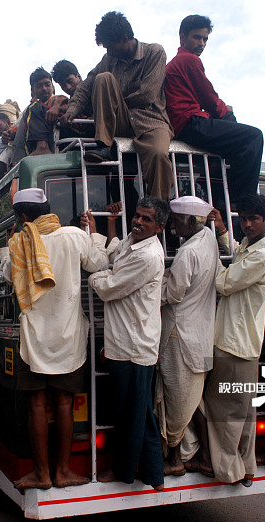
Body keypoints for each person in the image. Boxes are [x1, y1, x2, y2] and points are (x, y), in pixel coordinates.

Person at [0, 188, 109, 490]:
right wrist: (95, 235)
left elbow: (7, 275)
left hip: (33, 340)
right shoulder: (74, 235)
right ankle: (63, 471)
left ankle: (42, 474)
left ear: (22, 216)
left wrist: (9, 244)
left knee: (36, 404)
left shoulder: (19, 242)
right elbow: (98, 264)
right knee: (64, 403)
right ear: (48, 208)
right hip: (69, 336)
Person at [88, 196, 169, 491]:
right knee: (140, 412)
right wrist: (109, 225)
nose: (138, 222)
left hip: (134, 346)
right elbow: (115, 252)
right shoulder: (134, 243)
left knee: (130, 415)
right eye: (137, 215)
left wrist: (96, 276)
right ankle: (154, 474)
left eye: (147, 219)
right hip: (125, 342)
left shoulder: (148, 256)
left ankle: (124, 471)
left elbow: (109, 287)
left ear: (159, 227)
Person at [205, 194, 265, 486]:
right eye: (244, 219)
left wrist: (206, 250)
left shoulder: (263, 255)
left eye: (253, 219)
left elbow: (224, 282)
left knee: (224, 410)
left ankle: (227, 470)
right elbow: (237, 254)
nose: (247, 224)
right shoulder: (252, 246)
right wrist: (223, 230)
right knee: (244, 411)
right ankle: (246, 467)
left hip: (235, 343)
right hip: (243, 342)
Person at [61, 11, 173, 201]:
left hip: (150, 121)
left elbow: (147, 95)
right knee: (102, 78)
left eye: (110, 46)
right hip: (120, 122)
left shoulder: (155, 52)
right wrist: (72, 110)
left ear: (124, 38)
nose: (108, 51)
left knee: (159, 155)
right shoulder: (108, 60)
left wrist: (112, 100)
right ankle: (103, 145)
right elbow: (86, 86)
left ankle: (157, 210)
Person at [163, 15, 264, 203]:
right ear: (182, 37)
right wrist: (227, 112)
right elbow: (209, 98)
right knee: (253, 137)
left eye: (205, 39)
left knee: (231, 135)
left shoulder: (176, 63)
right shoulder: (188, 60)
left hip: (186, 122)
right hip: (190, 122)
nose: (201, 43)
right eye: (197, 37)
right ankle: (244, 201)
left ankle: (217, 190)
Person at [155, 196, 217, 477]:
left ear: (192, 221)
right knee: (195, 400)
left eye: (177, 220)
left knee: (176, 400)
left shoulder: (187, 252)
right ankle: (204, 456)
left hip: (179, 335)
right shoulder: (209, 240)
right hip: (200, 335)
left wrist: (149, 284)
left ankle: (175, 459)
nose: (172, 226)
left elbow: (172, 294)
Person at [9, 67, 69, 165]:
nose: (44, 88)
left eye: (47, 84)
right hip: (33, 142)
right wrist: (10, 133)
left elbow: (67, 107)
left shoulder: (58, 99)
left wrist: (57, 107)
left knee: (33, 106)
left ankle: (42, 148)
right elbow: (24, 125)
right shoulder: (31, 109)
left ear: (53, 87)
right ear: (33, 90)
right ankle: (15, 162)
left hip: (55, 141)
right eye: (39, 86)